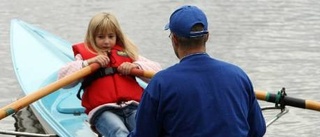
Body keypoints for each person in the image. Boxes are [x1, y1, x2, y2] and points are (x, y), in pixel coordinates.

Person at [128, 5, 266, 137]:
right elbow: (258, 130)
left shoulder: (160, 83)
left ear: (174, 39)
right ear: (207, 36)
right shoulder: (239, 76)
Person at [58, 12, 161, 137]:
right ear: (92, 37)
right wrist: (88, 63)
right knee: (119, 131)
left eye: (111, 36)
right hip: (103, 110)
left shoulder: (127, 53)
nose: (106, 41)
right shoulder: (85, 56)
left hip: (132, 107)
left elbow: (157, 73)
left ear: (117, 36)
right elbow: (62, 80)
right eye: (101, 37)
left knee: (145, 131)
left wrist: (136, 66)